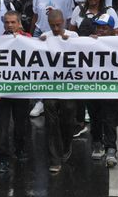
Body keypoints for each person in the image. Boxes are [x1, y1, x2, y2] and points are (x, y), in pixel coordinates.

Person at [0, 11, 32, 173]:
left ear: (19, 23)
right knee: (1, 127)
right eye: (7, 22)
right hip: (2, 92)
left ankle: (20, 149)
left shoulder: (29, 39)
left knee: (20, 125)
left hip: (21, 91)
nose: (9, 25)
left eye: (13, 22)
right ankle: (2, 158)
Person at [40, 10, 80, 173]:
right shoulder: (45, 36)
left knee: (68, 116)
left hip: (69, 86)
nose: (56, 28)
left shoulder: (74, 35)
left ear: (63, 21)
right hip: (51, 87)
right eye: (52, 25)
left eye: (58, 25)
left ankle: (66, 143)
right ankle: (54, 158)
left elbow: (87, 51)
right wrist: (39, 42)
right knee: (50, 121)